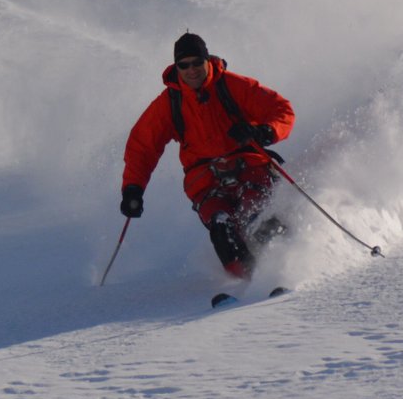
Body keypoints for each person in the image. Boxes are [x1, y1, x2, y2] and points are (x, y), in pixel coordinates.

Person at [120, 32, 295, 279]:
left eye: (196, 62)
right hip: (205, 181)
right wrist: (133, 189)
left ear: (207, 60)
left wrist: (263, 132)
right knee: (221, 226)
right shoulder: (169, 103)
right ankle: (243, 285)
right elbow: (142, 146)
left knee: (257, 213)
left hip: (249, 165)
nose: (191, 70)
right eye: (184, 65)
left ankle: (286, 269)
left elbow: (280, 110)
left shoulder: (232, 86)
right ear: (176, 67)